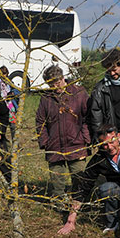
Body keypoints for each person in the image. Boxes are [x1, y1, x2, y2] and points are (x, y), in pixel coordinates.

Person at [61, 124, 120, 234]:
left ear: (118, 137)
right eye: (105, 144)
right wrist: (71, 220)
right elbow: (84, 185)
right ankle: (112, 224)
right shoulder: (99, 158)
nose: (109, 147)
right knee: (106, 189)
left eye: (112, 142)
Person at [36, 65, 90, 208]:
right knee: (57, 180)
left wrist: (86, 139)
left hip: (77, 143)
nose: (56, 87)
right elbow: (40, 121)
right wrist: (45, 141)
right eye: (51, 84)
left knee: (79, 177)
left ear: (63, 78)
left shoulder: (79, 93)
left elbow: (88, 117)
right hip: (54, 145)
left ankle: (80, 205)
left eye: (57, 82)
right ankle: (59, 205)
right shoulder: (46, 98)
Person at [0, 66, 19, 139]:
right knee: (2, 125)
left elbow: (17, 91)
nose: (3, 75)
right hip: (1, 106)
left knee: (13, 125)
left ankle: (14, 141)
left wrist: (12, 94)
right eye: (2, 73)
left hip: (10, 106)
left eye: (5, 73)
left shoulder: (10, 82)